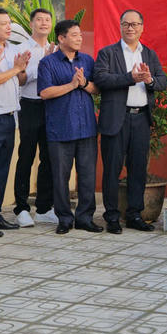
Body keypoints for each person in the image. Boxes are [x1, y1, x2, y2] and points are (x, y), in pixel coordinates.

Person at [93, 9, 167, 234]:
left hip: (141, 118)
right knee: (112, 170)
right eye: (126, 24)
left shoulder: (149, 54)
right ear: (120, 26)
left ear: (142, 28)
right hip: (117, 119)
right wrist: (130, 78)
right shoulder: (108, 53)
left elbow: (163, 81)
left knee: (137, 170)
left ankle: (135, 214)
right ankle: (112, 217)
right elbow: (101, 78)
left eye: (135, 24)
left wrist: (149, 79)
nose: (130, 28)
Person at [38, 19, 101, 234]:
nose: (79, 38)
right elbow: (45, 93)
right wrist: (72, 85)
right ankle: (64, 218)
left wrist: (83, 84)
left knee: (87, 176)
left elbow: (96, 89)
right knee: (60, 177)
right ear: (61, 38)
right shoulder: (48, 63)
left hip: (87, 128)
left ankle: (85, 217)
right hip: (60, 128)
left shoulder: (88, 61)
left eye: (80, 35)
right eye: (74, 35)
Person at [0, 8, 30, 234]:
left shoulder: (13, 49)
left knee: (2, 170)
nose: (9, 26)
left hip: (11, 115)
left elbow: (18, 81)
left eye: (10, 22)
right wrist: (15, 69)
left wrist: (22, 70)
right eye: (3, 24)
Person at [12, 8, 59, 226]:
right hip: (30, 105)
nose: (43, 23)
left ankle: (43, 208)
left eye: (47, 20)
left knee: (49, 157)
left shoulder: (57, 48)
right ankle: (21, 208)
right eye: (39, 20)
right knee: (26, 155)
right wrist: (44, 63)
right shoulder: (21, 49)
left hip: (51, 106)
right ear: (31, 24)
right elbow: (20, 80)